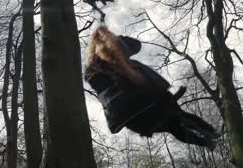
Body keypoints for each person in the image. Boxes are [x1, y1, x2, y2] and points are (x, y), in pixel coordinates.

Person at [84, 26, 218, 150]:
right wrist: (116, 39)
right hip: (148, 103)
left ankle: (207, 141)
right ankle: (210, 135)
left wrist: (114, 40)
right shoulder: (111, 63)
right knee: (178, 119)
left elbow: (136, 46)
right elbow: (135, 45)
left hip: (137, 118)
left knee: (175, 127)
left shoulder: (92, 70)